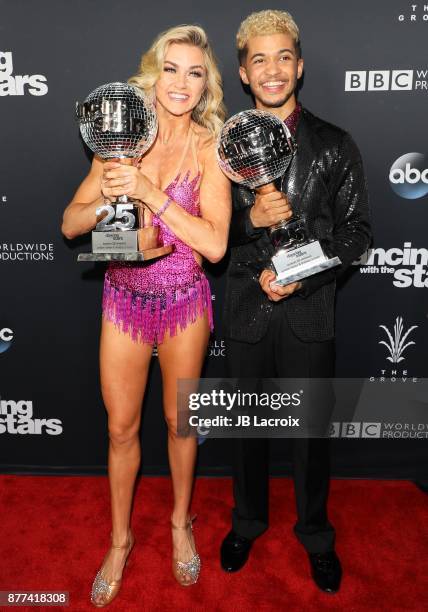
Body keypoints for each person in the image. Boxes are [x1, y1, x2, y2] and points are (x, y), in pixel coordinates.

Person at [62, 25, 231, 606]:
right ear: (153, 74)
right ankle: (120, 539)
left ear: (207, 84)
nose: (182, 82)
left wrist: (150, 194)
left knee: (181, 423)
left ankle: (182, 523)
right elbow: (69, 223)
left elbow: (214, 246)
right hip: (125, 299)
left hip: (185, 297)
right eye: (172, 68)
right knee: (120, 428)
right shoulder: (122, 135)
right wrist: (111, 191)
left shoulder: (212, 146)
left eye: (195, 72)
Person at [220, 10, 371, 594]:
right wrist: (247, 224)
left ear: (300, 65)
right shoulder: (223, 151)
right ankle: (247, 522)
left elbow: (358, 234)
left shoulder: (334, 143)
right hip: (246, 309)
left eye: (283, 56)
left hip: (309, 310)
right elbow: (207, 234)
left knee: (310, 436)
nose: (273, 69)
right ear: (243, 72)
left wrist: (299, 273)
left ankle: (314, 533)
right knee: (247, 430)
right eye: (260, 58)